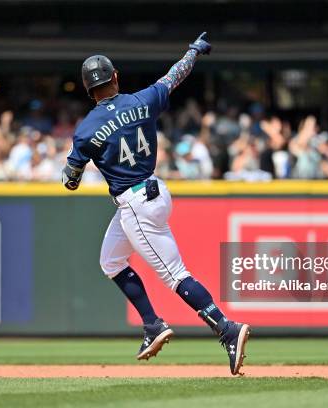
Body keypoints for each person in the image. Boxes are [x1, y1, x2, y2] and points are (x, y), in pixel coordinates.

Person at [61, 33, 250, 375]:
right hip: (155, 190)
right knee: (111, 261)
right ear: (115, 76)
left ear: (88, 90)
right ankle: (151, 324)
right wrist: (193, 51)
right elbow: (175, 75)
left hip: (134, 203)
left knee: (176, 275)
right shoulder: (142, 100)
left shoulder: (86, 129)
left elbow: (70, 179)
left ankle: (226, 328)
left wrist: (77, 165)